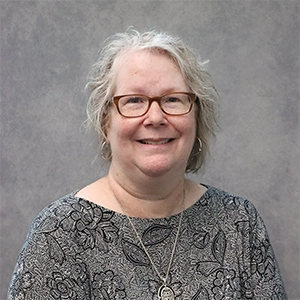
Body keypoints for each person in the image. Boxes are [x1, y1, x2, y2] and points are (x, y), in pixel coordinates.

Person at [8, 28, 287, 299]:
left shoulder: (239, 222)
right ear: (106, 122)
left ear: (197, 118)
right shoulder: (59, 233)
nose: (155, 117)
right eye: (134, 101)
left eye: (173, 99)